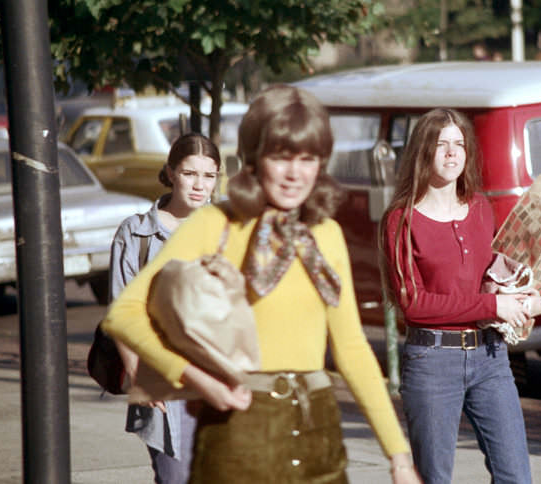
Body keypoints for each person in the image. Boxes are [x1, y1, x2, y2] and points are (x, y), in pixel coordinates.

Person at [102, 85, 422, 484]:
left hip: (317, 428)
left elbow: (353, 349)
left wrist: (399, 456)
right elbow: (125, 314)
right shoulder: (215, 223)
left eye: (308, 159)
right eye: (281, 157)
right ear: (254, 159)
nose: (295, 173)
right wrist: (197, 380)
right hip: (238, 428)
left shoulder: (326, 233)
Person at [379, 108, 540, 484]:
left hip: (491, 358)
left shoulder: (482, 207)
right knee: (435, 478)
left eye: (459, 144)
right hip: (432, 361)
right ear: (422, 152)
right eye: (441, 145)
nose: (452, 153)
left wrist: (521, 296)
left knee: (516, 476)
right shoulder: (401, 220)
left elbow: (492, 275)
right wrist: (492, 305)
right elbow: (413, 304)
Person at [108, 132, 221, 484]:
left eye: (209, 175)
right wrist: (137, 373)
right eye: (190, 174)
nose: (200, 185)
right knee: (175, 477)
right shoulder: (137, 234)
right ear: (171, 172)